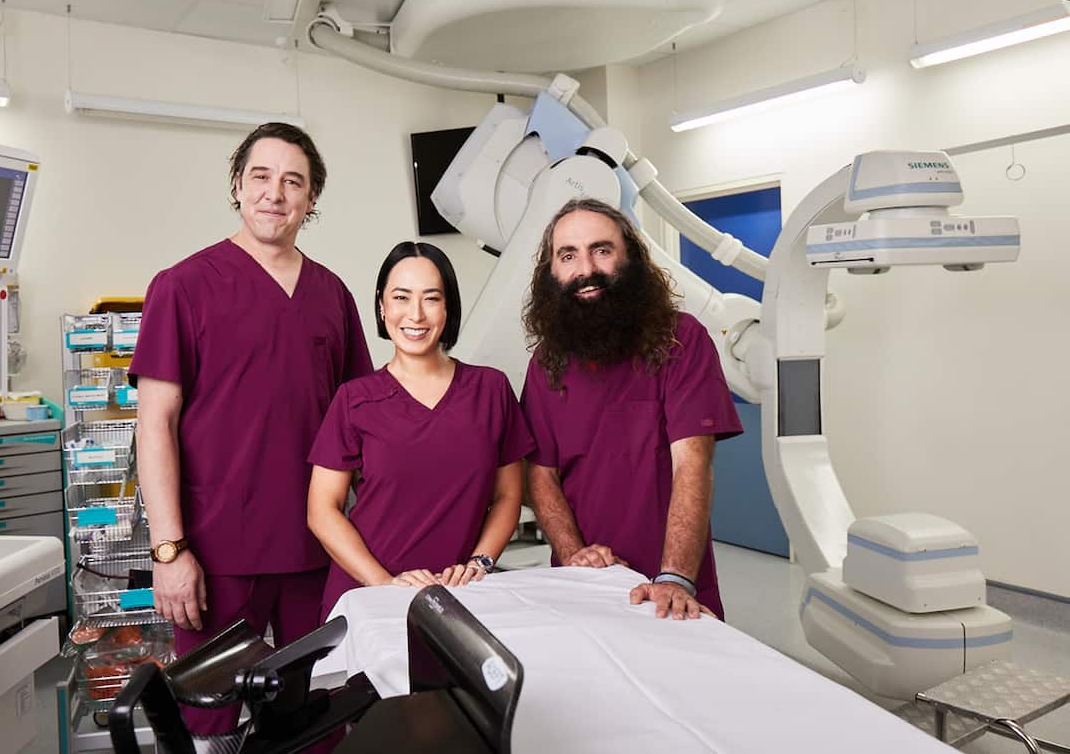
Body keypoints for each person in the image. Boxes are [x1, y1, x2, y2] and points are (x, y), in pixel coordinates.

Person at [130, 122, 373, 736]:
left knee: (312, 719)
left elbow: (359, 426)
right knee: (206, 723)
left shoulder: (333, 296)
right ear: (237, 186)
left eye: (294, 181)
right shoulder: (182, 287)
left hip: (315, 547)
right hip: (215, 553)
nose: (275, 193)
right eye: (260, 177)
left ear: (311, 199)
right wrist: (169, 550)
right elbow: (153, 422)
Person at [520, 198, 743, 620]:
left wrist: (674, 578)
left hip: (671, 589)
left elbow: (692, 464)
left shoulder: (681, 341)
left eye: (601, 250)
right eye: (568, 255)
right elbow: (540, 474)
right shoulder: (545, 364)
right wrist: (574, 556)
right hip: (581, 584)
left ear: (631, 259)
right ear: (551, 273)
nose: (585, 269)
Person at [307, 241, 532, 617]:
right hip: (369, 597)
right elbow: (321, 510)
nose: (416, 314)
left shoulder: (490, 390)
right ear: (382, 306)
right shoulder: (354, 399)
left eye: (431, 298)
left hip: (459, 597)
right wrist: (382, 583)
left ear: (448, 308)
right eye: (401, 297)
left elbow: (509, 495)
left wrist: (481, 563)